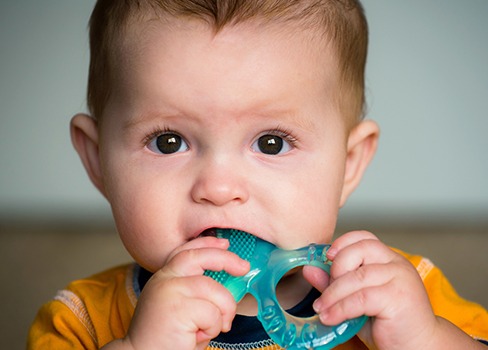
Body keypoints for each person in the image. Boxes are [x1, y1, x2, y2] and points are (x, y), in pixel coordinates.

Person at [28, 0, 488, 349]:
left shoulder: (402, 293)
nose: (220, 188)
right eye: (168, 141)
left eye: (272, 143)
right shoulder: (82, 319)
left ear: (348, 165)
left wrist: (424, 337)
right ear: (97, 161)